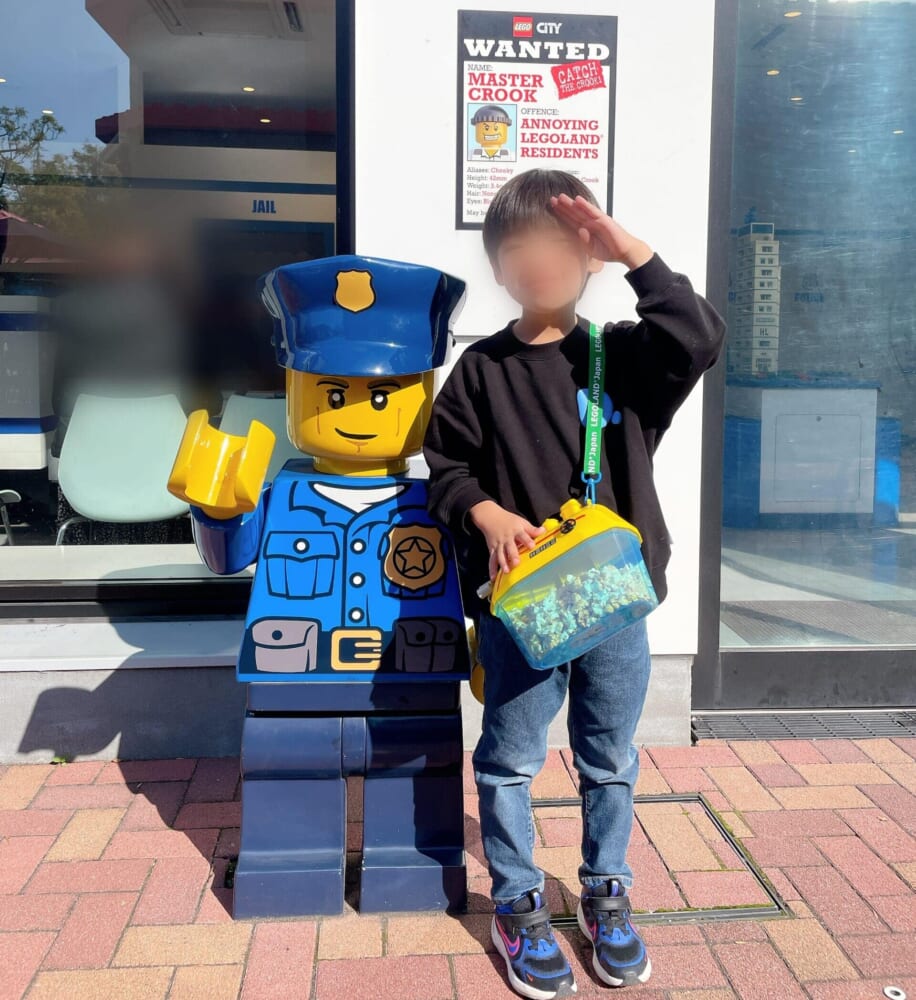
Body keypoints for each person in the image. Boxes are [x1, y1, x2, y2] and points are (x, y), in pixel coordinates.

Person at [423, 169, 725, 997]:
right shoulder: (481, 369)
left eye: (561, 245)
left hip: (614, 604)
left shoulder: (623, 357)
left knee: (610, 758)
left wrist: (633, 252)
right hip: (521, 610)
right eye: (519, 248)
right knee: (509, 760)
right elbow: (444, 466)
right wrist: (486, 514)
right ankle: (518, 903)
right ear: (497, 265)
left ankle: (606, 893)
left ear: (589, 257)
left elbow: (699, 336)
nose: (539, 262)